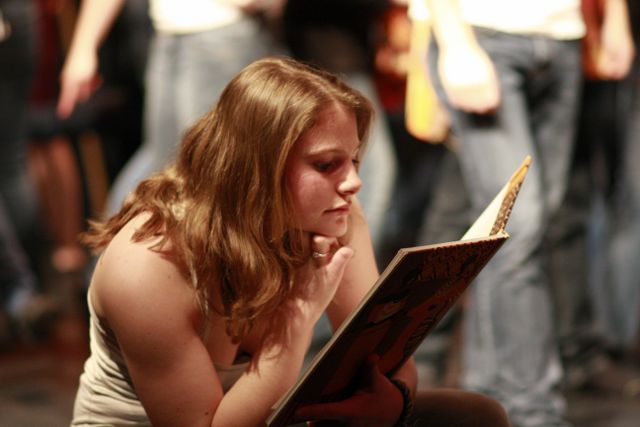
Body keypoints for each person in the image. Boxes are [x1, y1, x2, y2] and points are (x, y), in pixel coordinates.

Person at [70, 56, 511, 427]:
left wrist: (392, 404)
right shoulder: (148, 264)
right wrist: (298, 316)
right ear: (257, 168)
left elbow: (388, 361)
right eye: (326, 165)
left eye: (354, 160)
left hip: (269, 413)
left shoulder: (333, 216)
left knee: (475, 415)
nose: (353, 183)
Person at [421, 1, 595, 426]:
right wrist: (455, 41)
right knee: (517, 229)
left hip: (562, 37)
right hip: (483, 36)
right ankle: (532, 409)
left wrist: (615, 24)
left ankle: (488, 394)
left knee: (528, 235)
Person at [57, 0, 283, 217]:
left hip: (220, 32)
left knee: (209, 176)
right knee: (167, 169)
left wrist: (83, 47)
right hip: (169, 34)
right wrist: (83, 47)